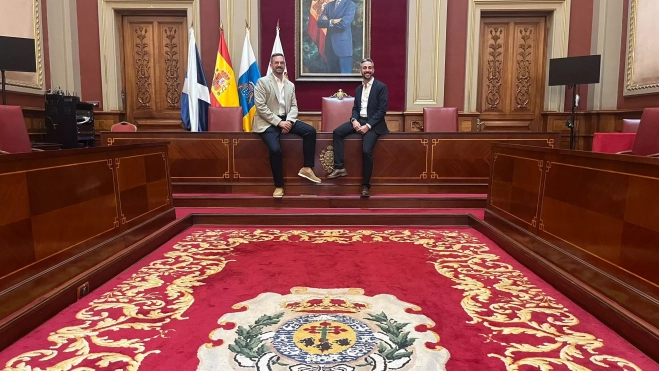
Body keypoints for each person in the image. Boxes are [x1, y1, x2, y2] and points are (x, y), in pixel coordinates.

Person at [253, 53, 321, 198]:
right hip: (267, 122)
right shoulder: (262, 82)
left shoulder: (290, 85)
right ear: (271, 66)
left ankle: (307, 168)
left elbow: (294, 107)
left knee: (310, 131)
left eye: (281, 63)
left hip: (287, 119)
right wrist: (279, 122)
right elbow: (260, 107)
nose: (279, 65)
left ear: (284, 65)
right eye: (276, 63)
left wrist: (289, 121)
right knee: (275, 150)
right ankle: (278, 186)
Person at [326, 58, 388, 198]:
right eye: (364, 68)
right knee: (337, 132)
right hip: (359, 121)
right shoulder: (358, 89)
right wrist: (354, 120)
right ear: (360, 70)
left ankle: (365, 186)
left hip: (374, 125)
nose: (367, 70)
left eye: (370, 68)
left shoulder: (381, 87)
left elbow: (382, 111)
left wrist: (368, 126)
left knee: (366, 151)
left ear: (373, 70)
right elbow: (355, 108)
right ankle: (340, 167)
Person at [316, 0, 356, 74]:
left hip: (343, 47)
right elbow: (319, 23)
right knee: (331, 78)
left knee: (345, 78)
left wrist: (327, 22)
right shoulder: (329, 5)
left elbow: (344, 24)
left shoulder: (350, 4)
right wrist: (333, 21)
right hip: (329, 46)